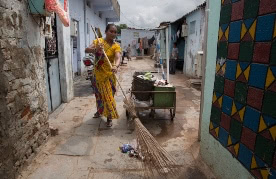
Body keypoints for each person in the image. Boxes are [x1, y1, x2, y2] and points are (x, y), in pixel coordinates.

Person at [85, 24, 121, 127]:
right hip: (98, 74)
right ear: (106, 31)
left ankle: (109, 117)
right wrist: (96, 49)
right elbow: (86, 50)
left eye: (115, 32)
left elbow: (118, 57)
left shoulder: (116, 46)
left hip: (109, 75)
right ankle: (99, 111)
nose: (113, 34)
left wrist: (115, 65)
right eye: (111, 31)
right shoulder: (98, 41)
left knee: (109, 96)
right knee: (99, 95)